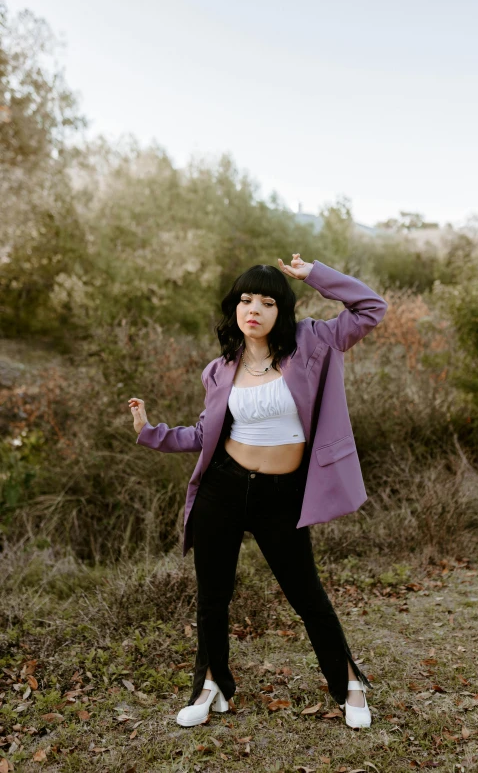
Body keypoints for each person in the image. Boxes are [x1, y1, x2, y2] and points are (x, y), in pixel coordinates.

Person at [129, 253, 388, 729]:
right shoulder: (219, 369)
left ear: (281, 311)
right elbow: (206, 434)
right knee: (213, 596)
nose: (254, 308)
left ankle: (349, 683)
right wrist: (151, 431)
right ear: (234, 307)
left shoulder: (313, 343)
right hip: (222, 489)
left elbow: (371, 308)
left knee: (306, 595)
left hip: (282, 494)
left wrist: (314, 275)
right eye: (246, 299)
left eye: (268, 301)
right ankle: (211, 685)